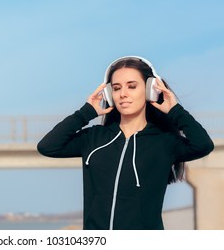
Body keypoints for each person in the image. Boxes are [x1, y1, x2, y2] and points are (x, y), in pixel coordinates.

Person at [37, 56, 214, 230]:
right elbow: (48, 146)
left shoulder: (164, 142)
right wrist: (86, 112)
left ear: (149, 90)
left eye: (132, 86)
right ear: (109, 93)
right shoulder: (93, 138)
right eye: (116, 88)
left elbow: (203, 145)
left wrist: (175, 110)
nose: (123, 94)